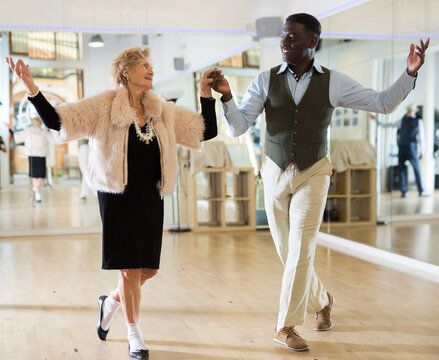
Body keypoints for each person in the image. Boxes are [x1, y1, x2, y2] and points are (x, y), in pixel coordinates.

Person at [208, 13, 429, 352]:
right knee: (287, 252)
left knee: (301, 249)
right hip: (274, 171)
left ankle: (286, 325)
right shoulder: (265, 80)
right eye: (282, 36)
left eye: (292, 37)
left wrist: (409, 73)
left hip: (314, 172)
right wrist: (226, 97)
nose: (284, 42)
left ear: (312, 42)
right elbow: (238, 127)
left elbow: (382, 103)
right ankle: (323, 301)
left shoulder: (333, 81)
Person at [6, 45, 218, 360]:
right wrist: (32, 88)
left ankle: (110, 304)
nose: (151, 71)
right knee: (130, 270)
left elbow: (204, 132)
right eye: (144, 65)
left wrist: (205, 93)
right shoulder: (104, 105)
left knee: (148, 269)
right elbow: (57, 121)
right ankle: (134, 335)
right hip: (116, 195)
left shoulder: (160, 109)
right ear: (126, 71)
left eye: (151, 65)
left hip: (150, 194)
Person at [13, 115, 53, 203]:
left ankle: (36, 190)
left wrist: (12, 130)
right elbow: (53, 140)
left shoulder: (28, 131)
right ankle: (37, 192)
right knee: (41, 176)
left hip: (32, 156)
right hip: (41, 156)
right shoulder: (43, 132)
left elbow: (17, 137)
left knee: (35, 176)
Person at [398, 104, 425, 197]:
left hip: (411, 147)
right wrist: (375, 121)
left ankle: (421, 190)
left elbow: (421, 137)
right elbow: (389, 125)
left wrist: (422, 151)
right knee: (401, 170)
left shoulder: (418, 121)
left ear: (413, 111)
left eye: (410, 110)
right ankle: (403, 191)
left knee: (416, 169)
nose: (408, 112)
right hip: (402, 147)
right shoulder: (402, 120)